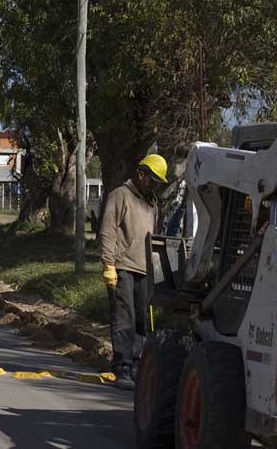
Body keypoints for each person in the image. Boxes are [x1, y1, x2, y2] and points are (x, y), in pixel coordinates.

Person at [99, 154, 168, 390]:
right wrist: (108, 264)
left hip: (144, 269)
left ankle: (137, 364)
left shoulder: (151, 202)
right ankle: (122, 366)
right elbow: (108, 230)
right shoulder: (120, 195)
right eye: (153, 180)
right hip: (123, 267)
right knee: (124, 318)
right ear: (140, 174)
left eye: (158, 183)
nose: (155, 186)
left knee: (142, 320)